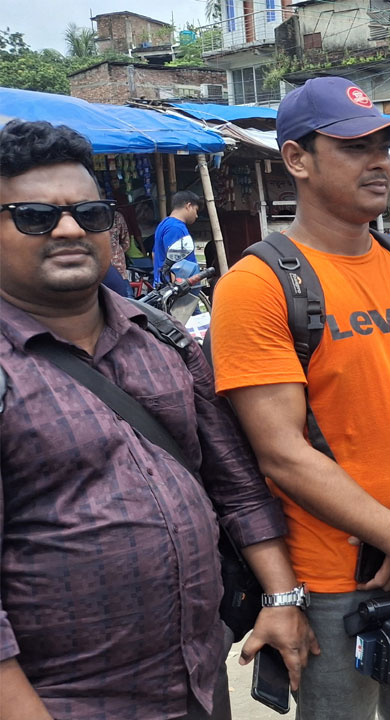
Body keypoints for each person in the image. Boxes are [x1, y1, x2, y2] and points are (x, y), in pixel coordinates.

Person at [0, 119, 314, 720]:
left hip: (196, 682)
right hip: (62, 700)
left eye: (89, 214)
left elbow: (236, 485)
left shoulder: (164, 339)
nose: (69, 229)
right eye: (35, 216)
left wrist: (281, 595)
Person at [210, 77, 390, 720]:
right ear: (297, 160)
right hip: (335, 579)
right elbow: (282, 454)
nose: (380, 160)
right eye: (354, 145)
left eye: (386, 144)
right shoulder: (255, 287)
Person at [152, 189, 201, 284]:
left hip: (164, 284)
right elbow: (175, 263)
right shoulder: (176, 228)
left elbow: (154, 254)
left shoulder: (165, 223)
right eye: (196, 210)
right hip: (176, 288)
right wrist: (176, 289)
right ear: (189, 206)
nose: (196, 215)